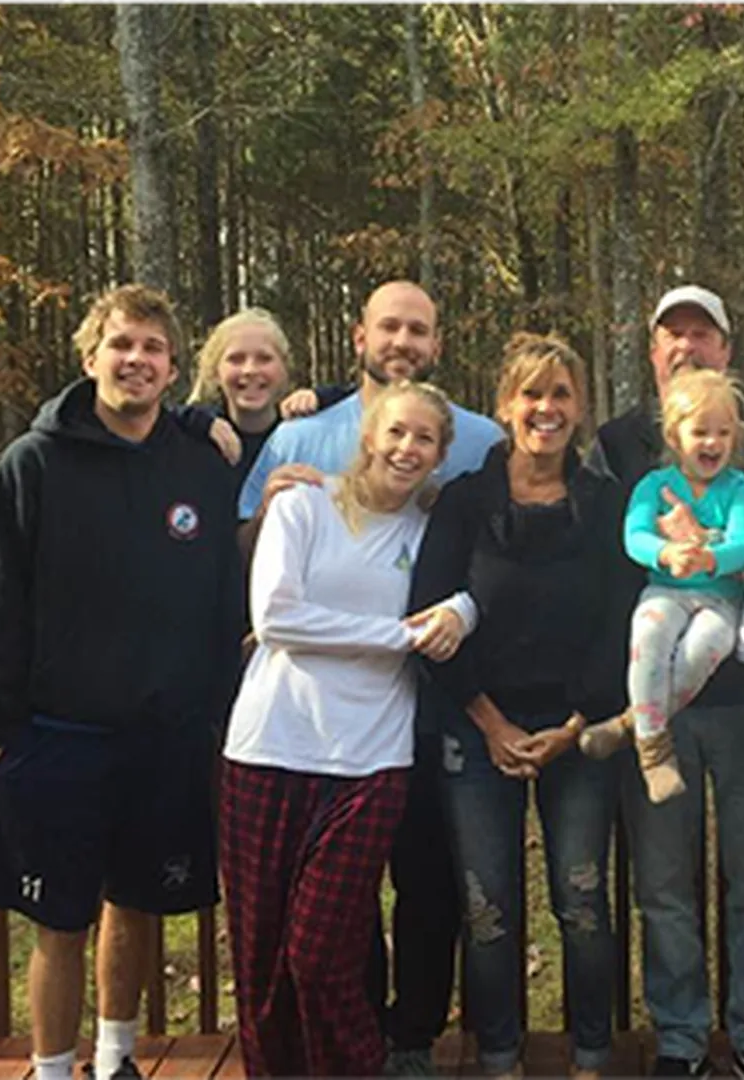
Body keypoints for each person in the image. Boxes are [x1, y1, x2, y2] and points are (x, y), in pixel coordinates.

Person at [0, 284, 244, 1080]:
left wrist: (213, 712)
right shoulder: (32, 464)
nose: (136, 360)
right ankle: (54, 1071)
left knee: (134, 906)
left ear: (171, 369)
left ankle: (114, 1060)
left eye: (153, 348)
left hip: (165, 737)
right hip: (57, 735)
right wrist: (7, 730)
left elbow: (222, 598)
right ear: (89, 358)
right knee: (58, 920)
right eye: (121, 345)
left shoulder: (199, 462)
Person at [236, 281, 503, 1080]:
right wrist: (398, 635)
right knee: (290, 941)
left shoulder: (484, 443)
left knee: (411, 894)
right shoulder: (300, 451)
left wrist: (461, 607)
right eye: (389, 326)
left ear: (438, 344)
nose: (403, 340)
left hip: (401, 733)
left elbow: (487, 560)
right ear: (360, 336)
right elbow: (251, 563)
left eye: (418, 329)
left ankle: (407, 1041)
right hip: (282, 735)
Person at [410, 333, 633, 1080]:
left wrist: (575, 726)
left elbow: (619, 620)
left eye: (560, 394)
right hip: (477, 731)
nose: (546, 409)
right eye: (531, 395)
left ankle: (593, 1053)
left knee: (582, 899)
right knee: (488, 909)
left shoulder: (603, 504)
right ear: (505, 407)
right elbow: (430, 617)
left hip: (578, 731)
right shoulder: (464, 503)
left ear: (579, 407)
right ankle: (499, 1056)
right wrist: (491, 723)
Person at [588, 286, 744, 1080]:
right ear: (652, 351)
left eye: (701, 334)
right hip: (655, 701)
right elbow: (606, 551)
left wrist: (708, 550)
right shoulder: (616, 441)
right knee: (664, 886)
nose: (685, 347)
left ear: (725, 349)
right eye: (671, 336)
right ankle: (679, 1039)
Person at [584, 369, 744, 803]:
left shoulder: (738, 489)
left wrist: (710, 556)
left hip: (719, 599)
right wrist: (666, 554)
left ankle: (633, 724)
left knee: (705, 648)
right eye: (700, 432)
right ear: (675, 436)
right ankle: (655, 754)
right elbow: (634, 536)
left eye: (723, 432)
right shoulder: (655, 485)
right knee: (648, 637)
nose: (712, 443)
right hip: (665, 590)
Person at [179, 307, 350, 490]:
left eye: (264, 358)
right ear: (215, 372)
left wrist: (320, 397)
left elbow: (362, 397)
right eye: (236, 359)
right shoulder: (201, 431)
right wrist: (199, 422)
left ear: (285, 369)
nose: (250, 369)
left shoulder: (299, 432)